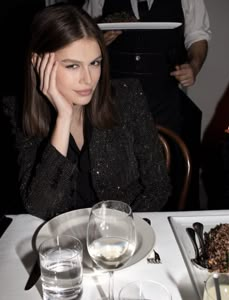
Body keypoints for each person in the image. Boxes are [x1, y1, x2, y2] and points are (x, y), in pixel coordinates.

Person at [2, 4, 170, 220]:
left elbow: (158, 186)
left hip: (123, 238)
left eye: (95, 63)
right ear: (38, 62)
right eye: (72, 66)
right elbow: (40, 207)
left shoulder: (127, 98)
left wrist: (122, 228)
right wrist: (63, 119)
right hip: (64, 242)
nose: (88, 79)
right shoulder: (19, 112)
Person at [81, 0, 212, 210]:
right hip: (113, 99)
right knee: (114, 170)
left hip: (163, 99)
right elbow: (82, 33)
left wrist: (194, 66)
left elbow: (198, 36)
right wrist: (97, 42)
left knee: (166, 172)